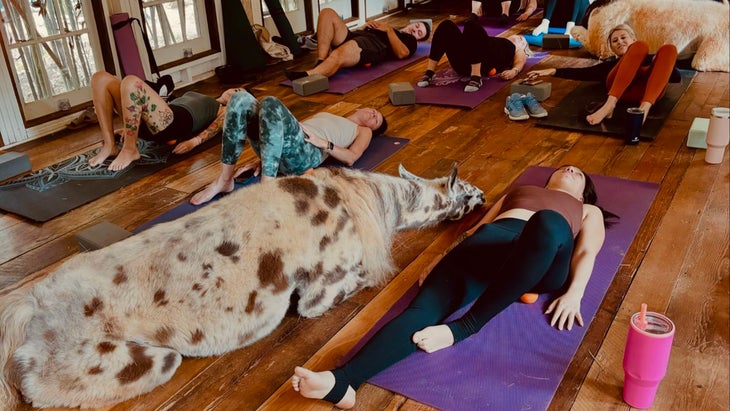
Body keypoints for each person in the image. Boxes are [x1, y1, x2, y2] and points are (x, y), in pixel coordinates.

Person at [291, 165, 616, 409]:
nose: (570, 168)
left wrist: (575, 293)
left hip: (545, 253)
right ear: (548, 178)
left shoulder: (587, 211)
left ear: (585, 192)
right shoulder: (519, 191)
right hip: (490, 247)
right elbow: (480, 228)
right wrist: (442, 256)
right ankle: (343, 382)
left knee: (548, 221)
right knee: (421, 312)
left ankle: (466, 326)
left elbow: (587, 252)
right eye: (564, 166)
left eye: (578, 172)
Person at [190, 90, 387, 205]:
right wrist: (260, 159)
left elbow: (351, 157)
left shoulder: (362, 131)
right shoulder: (332, 116)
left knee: (270, 102)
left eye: (376, 120)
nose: (373, 114)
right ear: (358, 108)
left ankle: (267, 186)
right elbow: (276, 126)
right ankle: (225, 179)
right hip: (284, 147)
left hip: (307, 152)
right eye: (374, 111)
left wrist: (324, 143)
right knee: (239, 98)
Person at [526, 24, 679, 125]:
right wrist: (553, 71)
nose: (619, 41)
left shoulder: (650, 58)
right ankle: (609, 105)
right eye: (615, 41)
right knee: (640, 47)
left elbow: (675, 76)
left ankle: (643, 110)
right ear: (612, 48)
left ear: (633, 38)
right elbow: (585, 73)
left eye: (623, 37)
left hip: (647, 94)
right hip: (619, 91)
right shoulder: (611, 64)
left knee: (669, 49)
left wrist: (659, 62)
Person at [89, 71, 236, 171]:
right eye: (235, 89)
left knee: (131, 82)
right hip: (155, 119)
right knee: (100, 78)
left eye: (239, 93)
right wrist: (128, 128)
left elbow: (217, 126)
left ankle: (130, 149)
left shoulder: (223, 109)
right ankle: (110, 146)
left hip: (174, 124)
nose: (234, 92)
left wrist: (195, 141)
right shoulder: (207, 97)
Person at [283, 8, 430, 81]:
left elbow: (402, 53)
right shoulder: (393, 27)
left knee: (338, 54)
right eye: (417, 26)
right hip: (359, 35)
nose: (415, 30)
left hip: (373, 46)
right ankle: (321, 61)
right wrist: (367, 27)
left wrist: (388, 30)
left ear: (418, 39)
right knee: (327, 12)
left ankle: (307, 76)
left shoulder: (410, 41)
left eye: (419, 33)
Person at [416, 14, 533, 92]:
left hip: (484, 64)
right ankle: (429, 73)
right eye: (519, 37)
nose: (517, 37)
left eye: (520, 38)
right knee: (446, 25)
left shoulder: (516, 47)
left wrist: (515, 71)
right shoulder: (490, 40)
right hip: (463, 61)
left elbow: (521, 58)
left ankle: (476, 78)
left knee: (471, 25)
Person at [472, 0, 537, 26]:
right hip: (491, 8)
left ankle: (505, 15)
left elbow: (533, 4)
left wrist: (527, 13)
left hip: (510, 7)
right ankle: (473, 15)